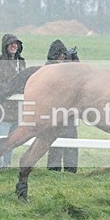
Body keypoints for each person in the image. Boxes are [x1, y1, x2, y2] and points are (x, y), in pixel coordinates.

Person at [0, 33, 26, 167]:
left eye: (16, 43)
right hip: (2, 111)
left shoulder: (21, 63)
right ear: (5, 46)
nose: (14, 46)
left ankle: (7, 168)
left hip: (17, 112)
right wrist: (12, 88)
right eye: (11, 43)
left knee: (11, 143)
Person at [45, 39, 80, 173]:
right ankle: (53, 169)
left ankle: (71, 170)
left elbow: (79, 74)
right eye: (59, 54)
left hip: (69, 114)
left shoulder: (67, 68)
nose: (62, 57)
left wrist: (74, 59)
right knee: (54, 143)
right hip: (54, 114)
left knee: (71, 142)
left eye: (63, 54)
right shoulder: (48, 69)